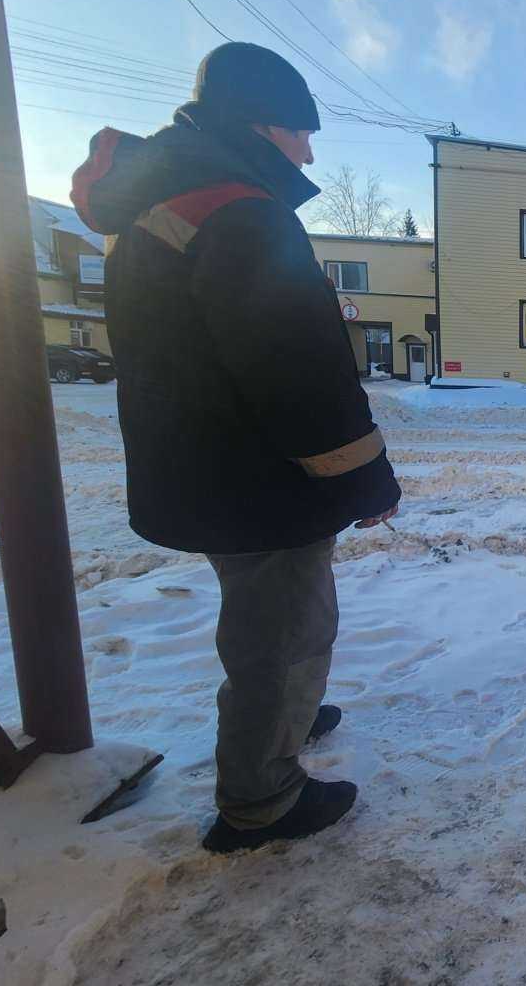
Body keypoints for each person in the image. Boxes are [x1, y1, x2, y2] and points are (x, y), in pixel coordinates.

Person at [71, 42, 401, 853]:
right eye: (300, 133)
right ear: (260, 123)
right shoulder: (240, 208)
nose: (310, 152)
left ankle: (285, 714)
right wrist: (367, 482)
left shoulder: (166, 198)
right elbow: (295, 370)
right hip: (256, 476)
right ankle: (262, 799)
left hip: (202, 463)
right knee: (284, 630)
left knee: (266, 620)